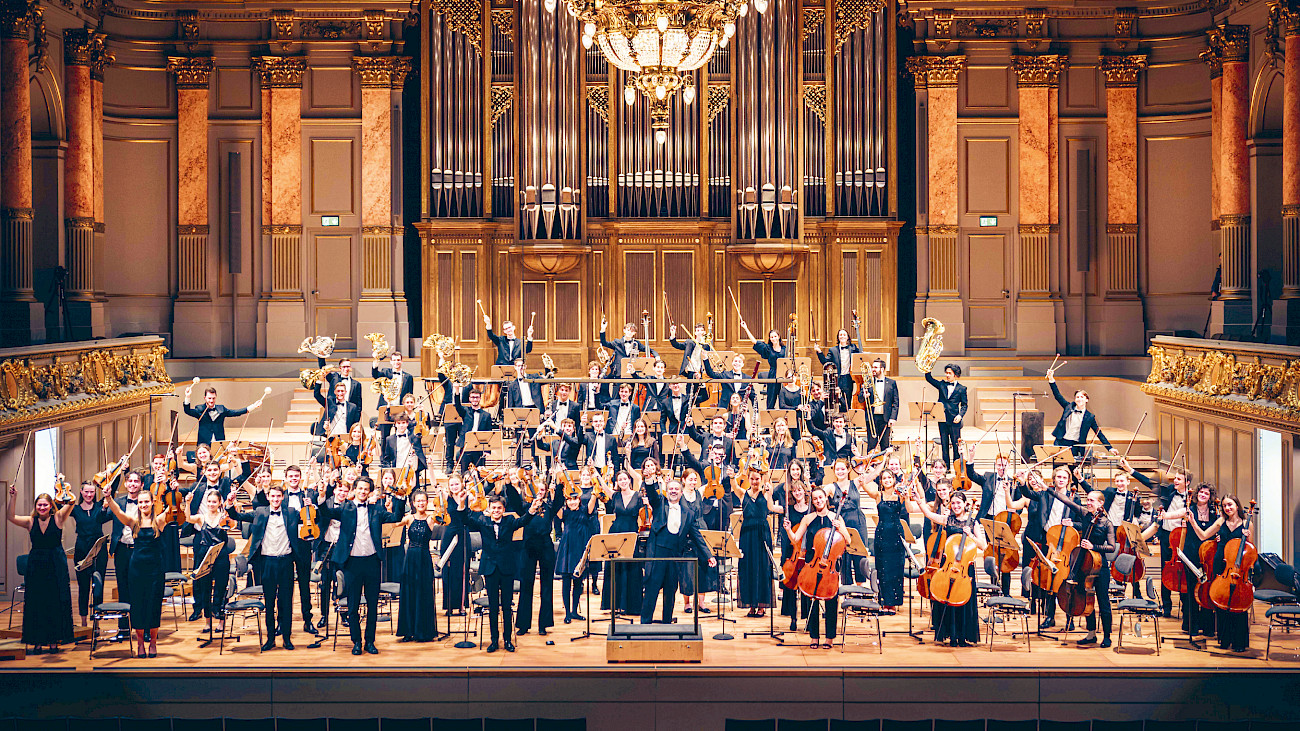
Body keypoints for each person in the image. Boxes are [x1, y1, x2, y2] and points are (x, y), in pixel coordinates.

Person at [314, 476, 401, 655]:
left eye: (366, 489)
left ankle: (370, 641)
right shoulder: (345, 508)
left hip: (372, 562)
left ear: (369, 492)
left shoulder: (376, 510)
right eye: (360, 488)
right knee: (353, 605)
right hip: (351, 563)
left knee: (372, 605)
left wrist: (399, 498)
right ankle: (356, 641)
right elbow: (325, 512)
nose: (362, 492)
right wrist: (322, 496)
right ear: (354, 490)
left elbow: (395, 517)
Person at [450, 489, 544, 652]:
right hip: (490, 568)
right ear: (489, 509)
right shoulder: (482, 521)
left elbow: (523, 521)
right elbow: (465, 519)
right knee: (493, 607)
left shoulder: (509, 521)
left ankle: (507, 640)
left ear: (503, 509)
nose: (496, 511)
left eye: (499, 508)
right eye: (493, 508)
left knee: (506, 606)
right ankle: (494, 640)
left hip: (507, 567)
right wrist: (462, 504)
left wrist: (532, 509)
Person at [226, 483, 306, 650]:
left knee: (286, 602)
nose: (275, 499)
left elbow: (312, 518)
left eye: (278, 496)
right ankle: (270, 639)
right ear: (268, 497)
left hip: (286, 562)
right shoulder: (260, 512)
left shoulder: (291, 512)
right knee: (269, 603)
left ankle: (286, 638)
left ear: (282, 497)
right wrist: (229, 504)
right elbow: (237, 516)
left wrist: (312, 506)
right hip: (267, 562)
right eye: (273, 496)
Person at [1046, 482, 1118, 648]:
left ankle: (1107, 636)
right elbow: (1067, 501)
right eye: (1088, 499)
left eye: (1092, 500)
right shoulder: (1086, 514)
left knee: (1103, 601)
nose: (1088, 502)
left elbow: (1112, 547)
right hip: (1083, 564)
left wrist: (1094, 547)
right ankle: (1091, 633)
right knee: (1087, 600)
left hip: (1099, 567)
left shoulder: (1106, 523)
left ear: (1101, 503)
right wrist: (1048, 489)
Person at [914, 489, 987, 647]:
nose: (955, 506)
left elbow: (983, 546)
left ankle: (963, 637)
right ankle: (952, 636)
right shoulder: (947, 520)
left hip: (965, 570)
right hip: (948, 566)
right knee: (947, 598)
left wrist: (972, 536)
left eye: (958, 503)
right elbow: (929, 515)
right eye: (953, 503)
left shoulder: (973, 522)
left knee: (964, 600)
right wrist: (919, 501)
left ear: (965, 504)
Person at [7, 486, 75, 653]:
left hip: (55, 565)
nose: (42, 508)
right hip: (37, 566)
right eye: (39, 505)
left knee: (54, 602)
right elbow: (10, 516)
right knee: (37, 603)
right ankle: (37, 641)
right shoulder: (30, 521)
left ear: (51, 505)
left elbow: (72, 500)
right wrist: (13, 497)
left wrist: (62, 485)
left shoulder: (59, 517)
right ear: (36, 506)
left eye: (45, 505)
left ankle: (53, 641)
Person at [640, 477, 716, 625]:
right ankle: (645, 622)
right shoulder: (659, 504)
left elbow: (697, 536)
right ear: (666, 491)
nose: (673, 491)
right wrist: (649, 480)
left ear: (681, 493)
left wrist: (708, 555)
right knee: (652, 588)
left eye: (676, 489)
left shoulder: (688, 512)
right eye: (671, 489)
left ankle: (667, 622)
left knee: (671, 589)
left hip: (675, 555)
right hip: (658, 554)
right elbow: (652, 494)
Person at [103, 487, 168, 658]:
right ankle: (140, 644)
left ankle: (153, 643)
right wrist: (109, 497)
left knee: (154, 605)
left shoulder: (159, 520)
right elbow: (117, 511)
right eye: (141, 502)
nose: (143, 504)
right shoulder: (133, 522)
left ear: (153, 502)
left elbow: (176, 511)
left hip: (156, 569)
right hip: (136, 569)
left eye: (146, 501)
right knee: (137, 605)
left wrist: (180, 496)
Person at [789, 486, 851, 648]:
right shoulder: (808, 519)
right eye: (815, 499)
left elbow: (848, 541)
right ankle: (814, 637)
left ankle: (829, 638)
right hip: (812, 562)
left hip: (830, 565)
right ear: (812, 501)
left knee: (831, 600)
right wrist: (788, 529)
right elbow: (796, 538)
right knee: (812, 599)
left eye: (821, 498)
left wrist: (841, 528)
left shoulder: (835, 518)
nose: (818, 501)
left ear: (826, 498)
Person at [1193, 494, 1252, 653]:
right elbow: (1204, 535)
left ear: (1237, 506)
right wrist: (1192, 521)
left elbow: (1250, 550)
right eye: (1225, 505)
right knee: (1222, 601)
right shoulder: (1220, 522)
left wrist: (1247, 538)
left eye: (1230, 505)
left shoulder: (1247, 524)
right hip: (1221, 565)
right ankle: (1224, 639)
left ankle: (1239, 641)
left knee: (1237, 603)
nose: (1227, 508)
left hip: (1238, 568)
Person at [182, 489, 234, 635]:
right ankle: (207, 621)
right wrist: (187, 503)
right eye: (209, 501)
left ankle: (221, 619)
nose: (211, 504)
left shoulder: (224, 516)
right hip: (205, 556)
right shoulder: (201, 517)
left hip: (221, 556)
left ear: (219, 503)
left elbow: (234, 524)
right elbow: (187, 518)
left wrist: (230, 504)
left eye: (214, 502)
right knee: (204, 589)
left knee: (221, 588)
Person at [393, 490, 440, 642]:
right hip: (410, 557)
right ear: (413, 503)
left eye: (423, 501)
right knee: (409, 592)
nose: (421, 503)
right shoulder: (409, 518)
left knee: (424, 592)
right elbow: (394, 524)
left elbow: (446, 520)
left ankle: (423, 631)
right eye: (418, 501)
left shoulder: (431, 519)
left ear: (427, 502)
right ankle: (408, 631)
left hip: (424, 558)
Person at [515, 478, 559, 637]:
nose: (539, 493)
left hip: (546, 546)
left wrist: (560, 482)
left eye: (542, 490)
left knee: (546, 586)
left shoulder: (549, 506)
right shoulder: (526, 507)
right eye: (537, 490)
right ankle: (523, 625)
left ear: (546, 492)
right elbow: (514, 501)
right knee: (526, 585)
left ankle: (544, 624)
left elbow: (560, 499)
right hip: (528, 546)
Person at [1046, 367, 1117, 462]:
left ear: (1087, 399)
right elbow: (1057, 395)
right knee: (1058, 468)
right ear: (1075, 399)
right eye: (1077, 397)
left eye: (1082, 397)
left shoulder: (1090, 417)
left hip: (1075, 446)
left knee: (1072, 471)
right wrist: (1051, 379)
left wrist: (1110, 448)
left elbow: (1098, 433)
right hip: (1060, 442)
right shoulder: (1068, 407)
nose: (1079, 399)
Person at [862, 468, 907, 613]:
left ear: (894, 479)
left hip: (896, 534)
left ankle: (893, 603)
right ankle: (883, 600)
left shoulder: (901, 494)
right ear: (881, 481)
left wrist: (907, 495)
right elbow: (863, 482)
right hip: (881, 533)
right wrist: (875, 469)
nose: (887, 480)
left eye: (890, 477)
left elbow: (911, 508)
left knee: (895, 568)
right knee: (882, 568)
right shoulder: (878, 495)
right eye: (884, 478)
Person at [555, 478, 600, 623]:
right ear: (566, 501)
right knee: (566, 583)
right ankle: (567, 613)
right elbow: (555, 506)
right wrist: (557, 488)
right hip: (567, 550)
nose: (572, 502)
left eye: (575, 499)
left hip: (581, 548)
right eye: (569, 500)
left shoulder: (586, 510)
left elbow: (594, 495)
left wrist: (597, 481)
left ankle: (575, 611)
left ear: (579, 499)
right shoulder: (564, 513)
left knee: (578, 583)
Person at [601, 469, 645, 616]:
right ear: (617, 482)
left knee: (631, 569)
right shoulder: (615, 496)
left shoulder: (638, 496)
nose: (623, 481)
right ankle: (616, 605)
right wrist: (596, 474)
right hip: (616, 532)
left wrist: (628, 457)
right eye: (620, 479)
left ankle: (631, 606)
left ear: (629, 480)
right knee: (616, 569)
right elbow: (604, 488)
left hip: (631, 533)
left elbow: (639, 478)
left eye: (625, 479)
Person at [69, 480, 113, 627]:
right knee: (83, 587)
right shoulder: (74, 509)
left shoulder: (100, 506)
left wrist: (122, 470)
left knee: (98, 585)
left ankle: (96, 623)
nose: (89, 494)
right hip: (81, 550)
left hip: (99, 550)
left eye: (92, 492)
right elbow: (57, 506)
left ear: (95, 493)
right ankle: (83, 624)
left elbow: (113, 484)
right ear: (81, 492)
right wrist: (60, 484)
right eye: (86, 491)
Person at [734, 465, 776, 617]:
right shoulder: (742, 493)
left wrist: (769, 490)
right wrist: (738, 473)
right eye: (751, 479)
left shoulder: (765, 493)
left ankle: (762, 605)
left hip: (762, 533)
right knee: (748, 568)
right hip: (747, 534)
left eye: (757, 479)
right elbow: (734, 484)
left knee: (762, 567)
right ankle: (751, 604)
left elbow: (770, 505)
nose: (754, 481)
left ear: (761, 479)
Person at [182, 384, 265, 446]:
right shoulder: (199, 409)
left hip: (219, 442)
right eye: (209, 398)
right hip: (204, 443)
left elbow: (236, 412)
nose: (211, 401)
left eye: (213, 398)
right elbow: (187, 411)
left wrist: (253, 406)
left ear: (216, 397)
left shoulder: (221, 409)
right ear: (205, 398)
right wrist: (187, 396)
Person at [925, 363, 968, 469]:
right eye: (946, 373)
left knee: (955, 445)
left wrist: (960, 415)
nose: (947, 375)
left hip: (954, 420)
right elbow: (929, 378)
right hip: (942, 418)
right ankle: (946, 468)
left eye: (950, 373)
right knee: (944, 444)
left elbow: (964, 405)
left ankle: (957, 468)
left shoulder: (962, 389)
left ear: (955, 375)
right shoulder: (942, 385)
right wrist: (927, 366)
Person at [854, 358, 899, 451]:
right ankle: (871, 465)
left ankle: (884, 465)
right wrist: (864, 396)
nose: (873, 369)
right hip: (872, 418)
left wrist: (893, 418)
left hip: (885, 418)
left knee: (885, 445)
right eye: (872, 367)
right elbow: (860, 399)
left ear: (882, 369)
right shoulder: (867, 382)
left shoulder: (892, 383)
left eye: (875, 367)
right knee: (871, 446)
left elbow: (895, 402)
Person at [742, 322, 788, 410]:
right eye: (771, 337)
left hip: (783, 375)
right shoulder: (768, 348)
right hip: (773, 374)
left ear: (779, 337)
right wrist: (745, 328)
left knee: (784, 398)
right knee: (771, 399)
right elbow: (754, 341)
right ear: (770, 339)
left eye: (775, 336)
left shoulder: (785, 349)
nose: (773, 338)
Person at [814, 325, 861, 410]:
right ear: (838, 337)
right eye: (840, 335)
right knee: (835, 400)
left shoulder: (853, 348)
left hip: (848, 378)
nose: (842, 336)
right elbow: (825, 362)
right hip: (836, 379)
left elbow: (860, 357)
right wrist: (819, 352)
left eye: (844, 335)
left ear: (847, 337)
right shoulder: (833, 350)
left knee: (847, 401)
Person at [453, 388, 494, 470]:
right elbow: (457, 405)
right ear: (469, 399)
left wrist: (487, 450)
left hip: (479, 446)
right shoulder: (465, 411)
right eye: (472, 397)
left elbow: (488, 432)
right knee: (465, 472)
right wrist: (457, 391)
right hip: (466, 445)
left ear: (479, 398)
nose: (475, 399)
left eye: (477, 397)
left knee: (480, 472)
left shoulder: (486, 415)